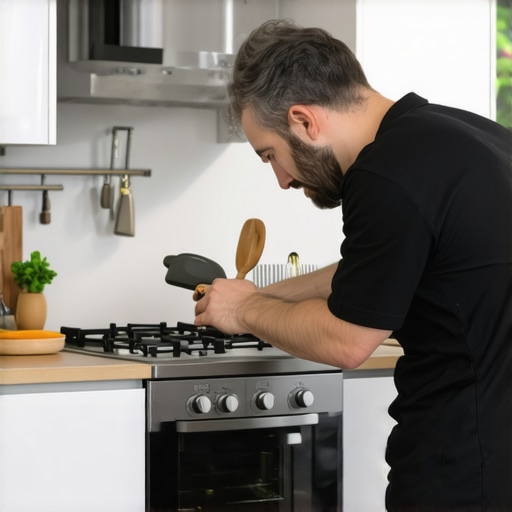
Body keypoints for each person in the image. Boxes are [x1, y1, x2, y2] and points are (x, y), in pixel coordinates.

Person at [193, 19, 512, 512]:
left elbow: (347, 341)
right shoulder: (466, 137)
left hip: (466, 471)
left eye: (270, 155)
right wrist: (271, 294)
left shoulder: (384, 174)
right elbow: (387, 270)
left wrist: (244, 311)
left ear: (303, 120)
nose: (281, 180)